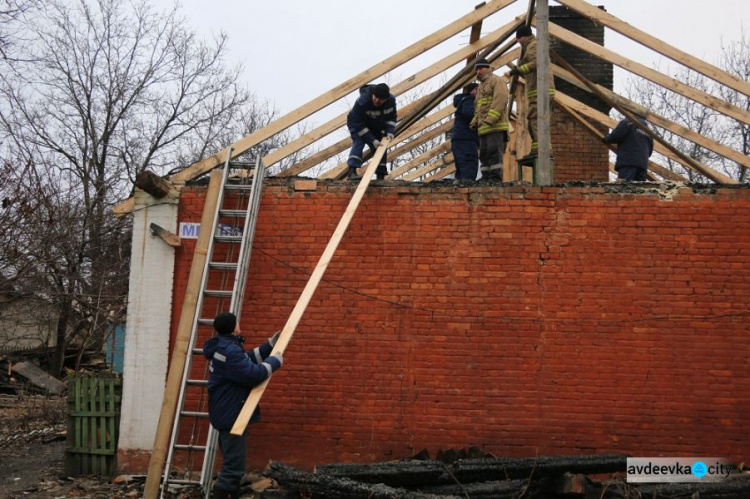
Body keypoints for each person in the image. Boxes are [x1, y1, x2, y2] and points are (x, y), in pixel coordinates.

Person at [203, 312, 283, 499]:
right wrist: (274, 362)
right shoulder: (229, 351)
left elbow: (246, 359)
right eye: (237, 321)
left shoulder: (224, 346)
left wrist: (268, 346)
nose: (239, 323)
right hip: (232, 417)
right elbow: (252, 374)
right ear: (233, 327)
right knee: (233, 470)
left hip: (225, 413)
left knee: (233, 466)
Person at [508, 25, 556, 159]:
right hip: (541, 89)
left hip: (539, 90)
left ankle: (540, 150)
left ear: (523, 37)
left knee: (535, 120)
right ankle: (541, 149)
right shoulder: (533, 46)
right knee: (539, 120)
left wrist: (519, 70)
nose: (518, 41)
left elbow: (537, 63)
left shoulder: (533, 46)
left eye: (519, 38)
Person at [346, 82, 397, 180]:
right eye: (375, 97)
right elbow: (358, 124)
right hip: (356, 124)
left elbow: (392, 118)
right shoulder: (362, 101)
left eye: (380, 99)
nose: (377, 101)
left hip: (375, 124)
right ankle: (352, 171)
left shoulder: (391, 101)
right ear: (373, 94)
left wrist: (390, 131)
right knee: (359, 141)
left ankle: (380, 174)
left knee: (381, 146)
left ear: (386, 99)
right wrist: (372, 140)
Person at [470, 58, 510, 180]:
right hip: (483, 127)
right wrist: (475, 121)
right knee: (484, 154)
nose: (478, 71)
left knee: (494, 152)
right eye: (476, 69)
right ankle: (486, 177)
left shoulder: (496, 81)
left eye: (480, 68)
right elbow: (479, 106)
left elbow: (500, 100)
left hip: (495, 126)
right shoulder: (481, 86)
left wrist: (492, 118)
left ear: (487, 67)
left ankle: (495, 177)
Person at [603, 115, 654, 181]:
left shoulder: (628, 122)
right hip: (642, 164)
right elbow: (650, 150)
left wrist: (606, 139)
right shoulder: (648, 129)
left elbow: (616, 136)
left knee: (625, 187)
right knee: (641, 188)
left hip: (628, 162)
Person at [451, 82, 480, 180]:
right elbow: (470, 114)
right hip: (466, 139)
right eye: (478, 90)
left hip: (460, 138)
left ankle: (460, 188)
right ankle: (467, 189)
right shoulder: (469, 100)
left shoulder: (462, 101)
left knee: (462, 167)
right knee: (469, 166)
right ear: (473, 91)